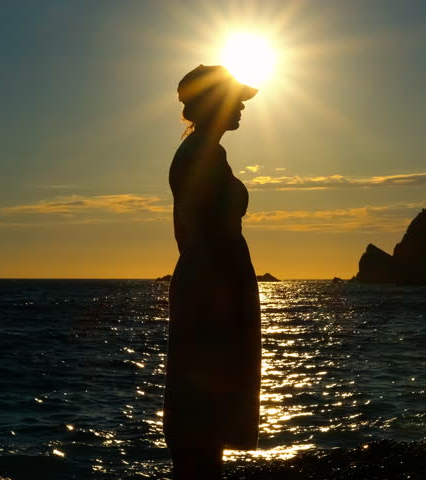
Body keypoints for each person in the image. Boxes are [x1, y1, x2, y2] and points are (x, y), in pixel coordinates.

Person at [164, 65, 261, 479]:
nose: (240, 106)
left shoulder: (202, 151)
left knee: (205, 406)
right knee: (205, 402)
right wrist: (224, 295)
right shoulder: (202, 153)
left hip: (210, 282)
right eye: (233, 98)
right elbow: (202, 226)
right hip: (212, 285)